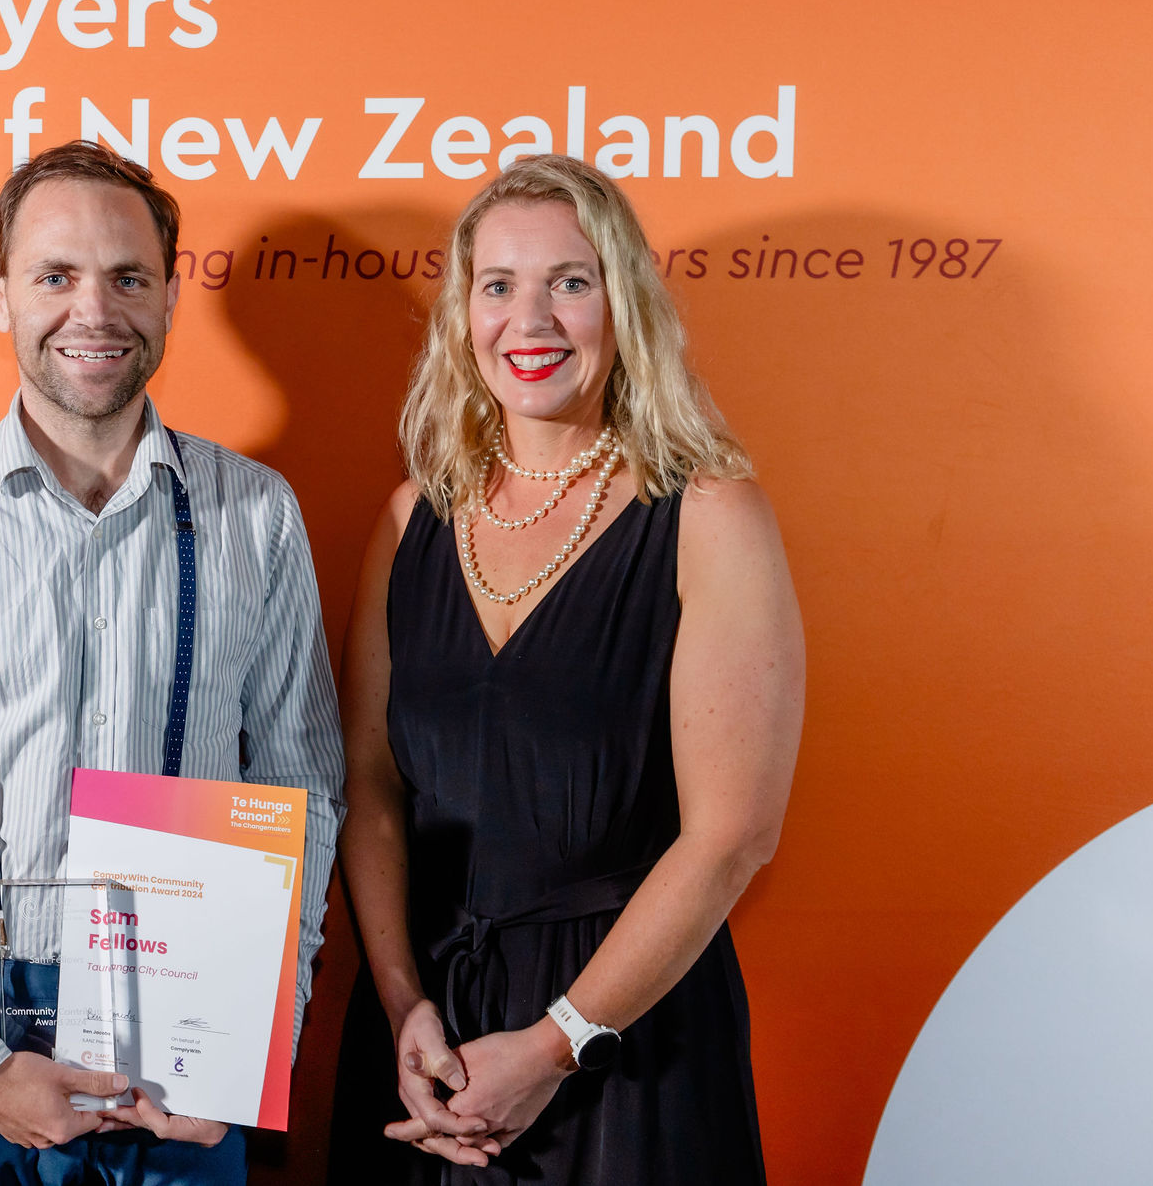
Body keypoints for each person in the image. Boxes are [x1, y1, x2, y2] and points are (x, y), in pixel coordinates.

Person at [0, 140, 347, 1186]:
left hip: (189, 1032)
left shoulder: (257, 515)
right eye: (54, 275)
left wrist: (252, 1038)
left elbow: (302, 792)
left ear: (169, 296)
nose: (92, 311)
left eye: (127, 278)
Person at [328, 155, 803, 1184]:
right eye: (497, 285)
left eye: (569, 282)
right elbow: (369, 785)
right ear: (463, 315)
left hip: (625, 1045)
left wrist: (555, 1046)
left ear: (623, 304)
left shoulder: (709, 514)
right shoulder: (410, 520)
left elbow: (733, 835)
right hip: (426, 1051)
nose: (528, 320)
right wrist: (403, 1001)